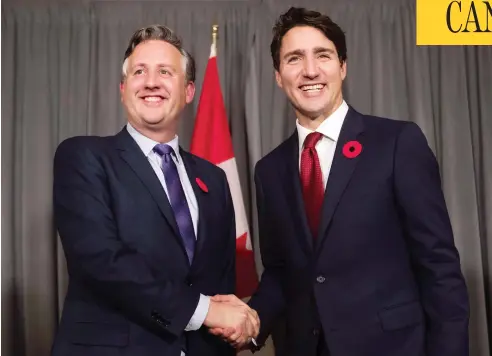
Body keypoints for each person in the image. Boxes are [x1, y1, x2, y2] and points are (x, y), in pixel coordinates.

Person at [215, 6, 470, 356]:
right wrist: (251, 324)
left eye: (323, 55)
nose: (310, 70)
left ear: (342, 66)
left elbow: (439, 267)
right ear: (278, 75)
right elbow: (279, 272)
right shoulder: (269, 170)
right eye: (294, 59)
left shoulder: (397, 143)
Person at [51, 25, 259, 356]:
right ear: (123, 88)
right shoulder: (83, 157)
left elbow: (221, 283)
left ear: (189, 91)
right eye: (139, 72)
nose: (151, 82)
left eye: (165, 72)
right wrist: (206, 311)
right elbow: (101, 261)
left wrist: (234, 323)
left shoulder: (214, 179)